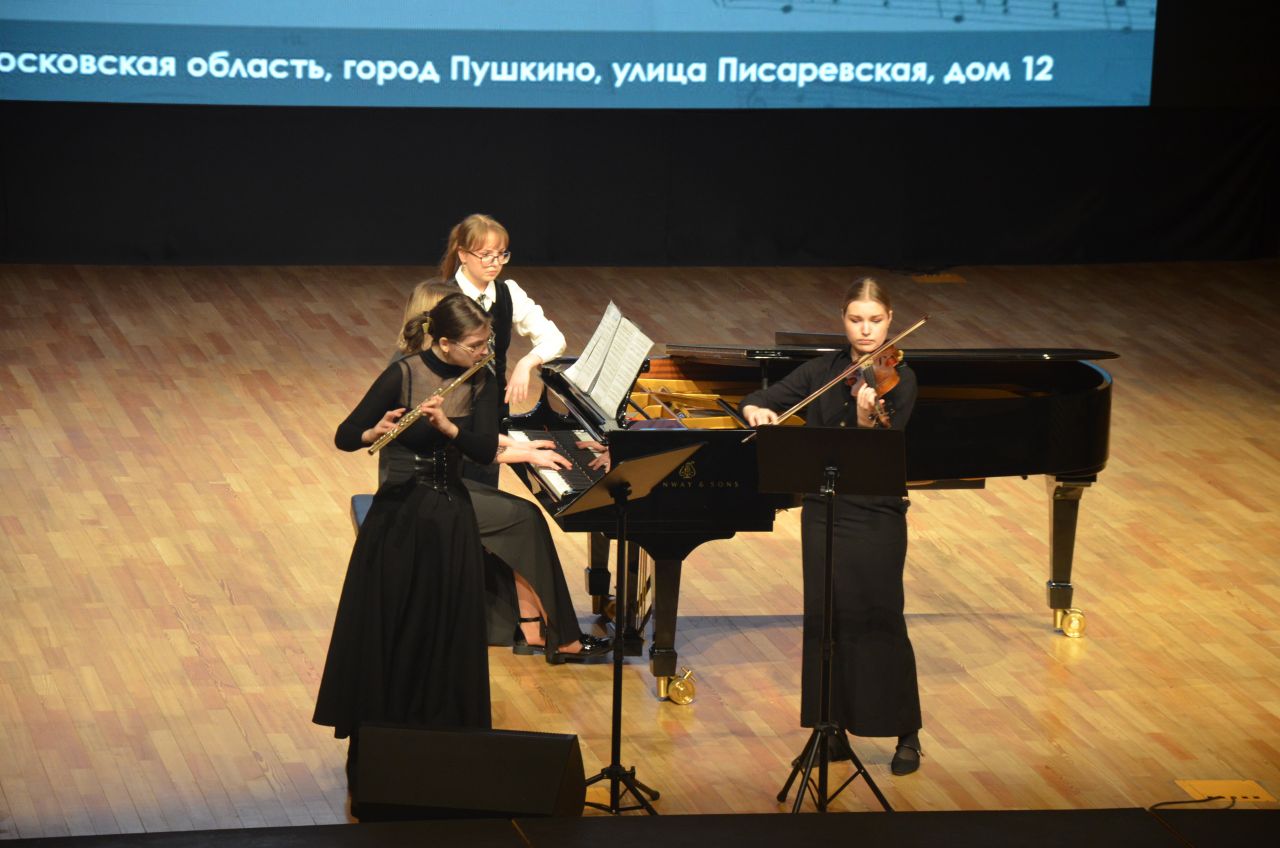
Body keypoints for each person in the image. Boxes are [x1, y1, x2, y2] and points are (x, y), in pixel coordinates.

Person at [313, 293, 499, 794]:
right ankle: (378, 752)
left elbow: (485, 450)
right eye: (476, 345)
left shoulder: (483, 380)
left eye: (487, 343)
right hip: (398, 518)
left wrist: (448, 426)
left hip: (449, 518)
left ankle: (441, 752)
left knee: (444, 631)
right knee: (391, 628)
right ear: (445, 342)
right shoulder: (403, 373)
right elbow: (345, 434)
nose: (484, 352)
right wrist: (373, 431)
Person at [740, 277, 923, 776]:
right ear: (843, 318)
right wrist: (759, 411)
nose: (866, 330)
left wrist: (866, 419)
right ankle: (831, 729)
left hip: (876, 514)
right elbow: (760, 397)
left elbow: (882, 445)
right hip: (824, 511)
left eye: (875, 320)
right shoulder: (823, 370)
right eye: (856, 320)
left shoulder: (900, 379)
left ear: (890, 320)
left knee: (881, 616)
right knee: (825, 618)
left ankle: (906, 731)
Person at [382, 280, 610, 664]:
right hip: (418, 491)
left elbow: (469, 436)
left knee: (520, 518)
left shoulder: (432, 367)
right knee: (522, 518)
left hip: (437, 481)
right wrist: (522, 453)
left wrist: (522, 447)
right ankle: (557, 634)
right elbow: (461, 443)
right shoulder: (417, 376)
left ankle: (534, 624)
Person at [439, 213, 567, 487]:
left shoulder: (509, 292)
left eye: (501, 255)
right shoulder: (443, 296)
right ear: (463, 254)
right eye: (486, 255)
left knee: (484, 486)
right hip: (452, 409)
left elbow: (554, 339)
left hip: (491, 406)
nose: (495, 263)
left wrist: (526, 363)